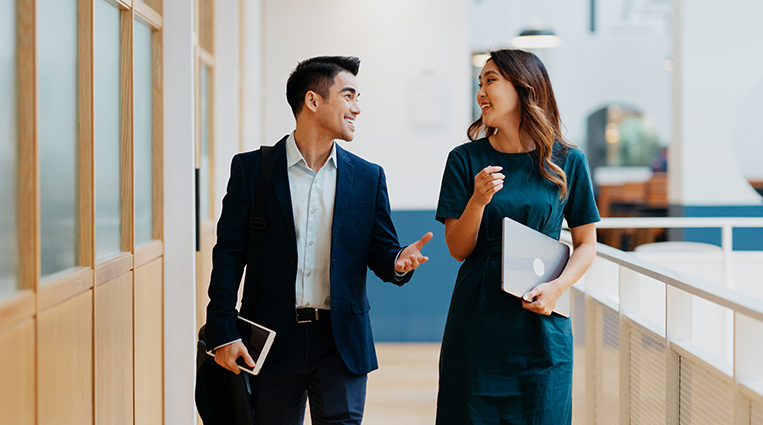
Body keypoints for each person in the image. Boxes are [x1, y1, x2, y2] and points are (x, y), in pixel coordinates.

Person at [205, 55, 433, 424]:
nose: (357, 108)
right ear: (313, 101)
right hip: (271, 339)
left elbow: (381, 250)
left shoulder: (367, 177)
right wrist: (223, 330)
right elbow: (229, 255)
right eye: (349, 95)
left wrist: (396, 261)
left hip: (341, 340)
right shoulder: (253, 171)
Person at [434, 49, 599, 424]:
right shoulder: (464, 160)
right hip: (477, 324)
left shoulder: (568, 160)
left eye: (490, 80)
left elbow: (587, 244)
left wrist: (558, 288)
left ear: (524, 87)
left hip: (542, 324)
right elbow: (458, 249)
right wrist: (477, 201)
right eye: (479, 83)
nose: (480, 92)